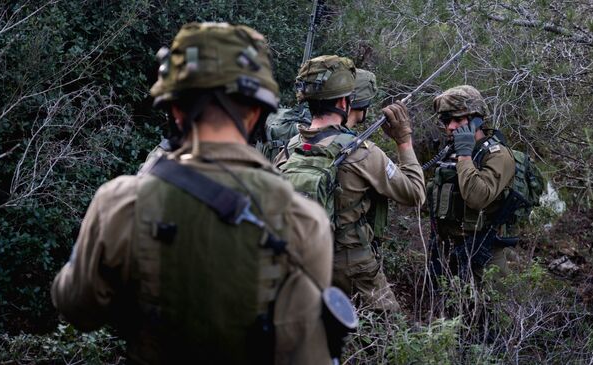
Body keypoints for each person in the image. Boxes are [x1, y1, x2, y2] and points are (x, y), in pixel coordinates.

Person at [51, 22, 334, 364]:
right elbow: (305, 354)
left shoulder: (122, 201)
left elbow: (77, 307)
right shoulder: (304, 220)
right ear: (256, 112)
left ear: (175, 109)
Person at [275, 56, 425, 312]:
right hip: (353, 269)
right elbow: (415, 194)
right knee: (385, 338)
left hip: (304, 265)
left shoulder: (291, 149)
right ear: (345, 102)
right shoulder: (363, 152)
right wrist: (403, 141)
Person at [427, 85, 516, 281]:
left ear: (476, 120)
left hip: (483, 255)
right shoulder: (451, 151)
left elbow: (477, 197)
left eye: (458, 120)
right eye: (446, 120)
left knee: (487, 310)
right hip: (447, 250)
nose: (450, 127)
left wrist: (465, 155)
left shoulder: (497, 155)